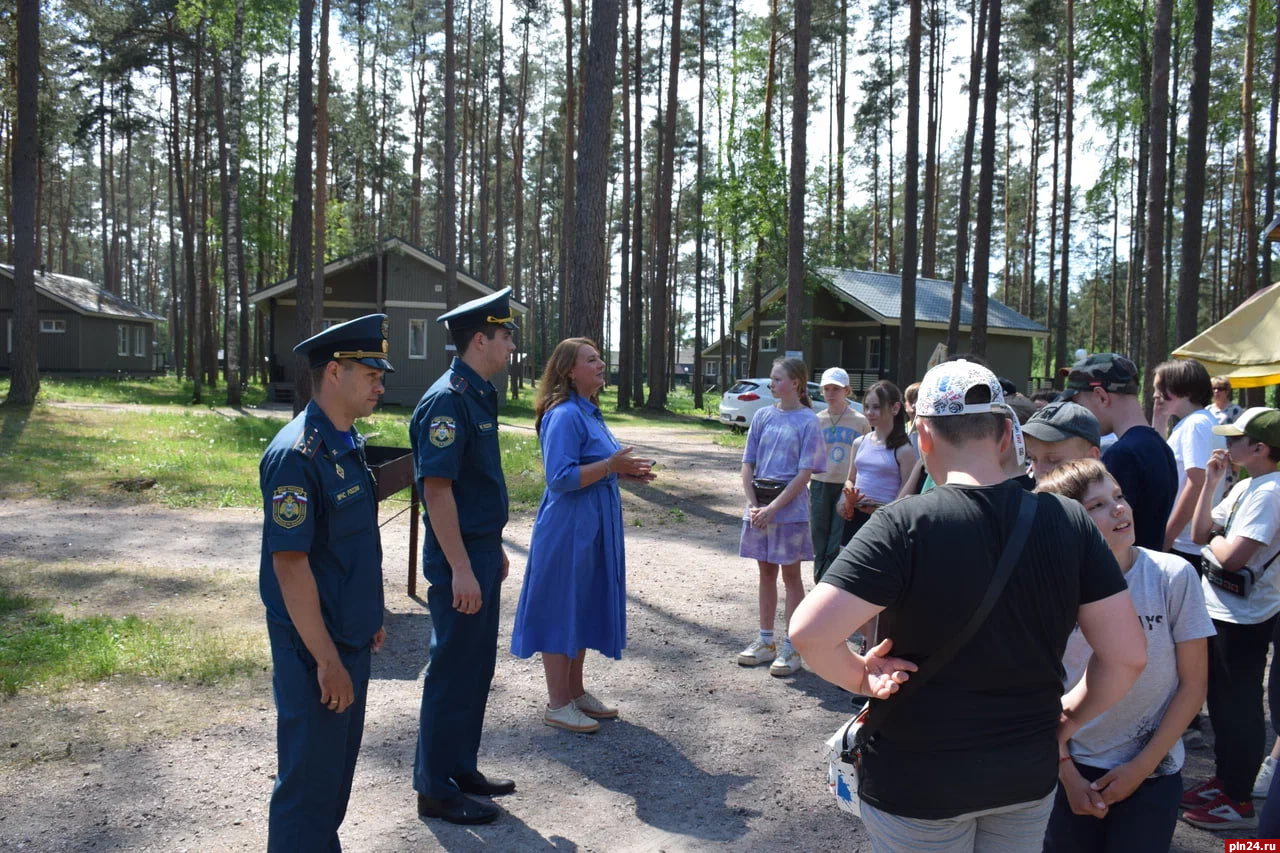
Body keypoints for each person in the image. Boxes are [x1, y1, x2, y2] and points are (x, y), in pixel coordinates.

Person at [790, 359, 1146, 853]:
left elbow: (809, 634)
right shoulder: (1070, 520)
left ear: (924, 437)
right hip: (1024, 772)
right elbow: (1128, 656)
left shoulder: (903, 524)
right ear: (1005, 434)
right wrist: (1067, 721)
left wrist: (860, 676)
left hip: (918, 779)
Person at [258, 314, 392, 851]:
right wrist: (329, 661)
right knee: (308, 791)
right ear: (334, 372)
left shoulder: (346, 440)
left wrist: (367, 619)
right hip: (314, 650)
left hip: (346, 636)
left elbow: (348, 547)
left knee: (331, 785)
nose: (381, 383)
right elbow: (289, 567)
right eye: (371, 372)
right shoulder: (298, 455)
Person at [1036, 460, 1212, 853]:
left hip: (1154, 771)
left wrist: (1142, 766)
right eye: (1096, 506)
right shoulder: (1049, 589)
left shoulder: (1173, 576)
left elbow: (1194, 683)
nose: (1118, 508)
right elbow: (1037, 690)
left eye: (1117, 496)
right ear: (1068, 523)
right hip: (1065, 769)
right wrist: (1066, 772)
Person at [410, 288, 518, 826]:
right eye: (506, 336)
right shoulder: (448, 400)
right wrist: (459, 567)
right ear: (481, 339)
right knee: (451, 667)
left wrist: (491, 546)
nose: (512, 345)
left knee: (475, 667)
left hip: (478, 549)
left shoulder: (478, 393)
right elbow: (438, 490)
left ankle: (459, 768)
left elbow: (478, 483)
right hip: (459, 555)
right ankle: (433, 787)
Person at [510, 338, 654, 734]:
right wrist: (611, 465)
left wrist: (625, 472)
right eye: (592, 360)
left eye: (600, 357)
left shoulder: (589, 412)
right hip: (568, 529)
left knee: (583, 604)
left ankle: (575, 693)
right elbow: (559, 479)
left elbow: (594, 466)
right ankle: (558, 703)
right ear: (569, 371)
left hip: (592, 526)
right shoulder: (564, 415)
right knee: (562, 608)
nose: (602, 364)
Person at [1179, 408, 1280, 830]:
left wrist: (1215, 543)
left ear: (1259, 448)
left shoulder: (1272, 490)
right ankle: (1224, 782)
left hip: (1244, 616)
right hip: (1222, 608)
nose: (1227, 445)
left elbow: (1234, 557)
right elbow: (1201, 532)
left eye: (1236, 440)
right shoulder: (1250, 484)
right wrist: (1212, 481)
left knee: (1238, 706)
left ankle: (1237, 799)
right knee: (1220, 701)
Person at [736, 356, 826, 677]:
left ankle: (792, 645)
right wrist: (754, 504)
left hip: (790, 513)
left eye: (777, 379)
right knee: (765, 574)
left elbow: (805, 474)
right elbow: (748, 463)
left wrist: (773, 508)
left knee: (791, 577)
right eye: (771, 378)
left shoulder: (808, 421)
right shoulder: (761, 416)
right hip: (760, 510)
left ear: (796, 384)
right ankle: (765, 642)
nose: (771, 383)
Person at [1061, 353, 1178, 552]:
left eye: (1079, 404)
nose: (1079, 414)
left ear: (1101, 396)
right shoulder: (1159, 445)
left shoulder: (1122, 454)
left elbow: (1104, 534)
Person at [1153, 359, 1226, 565]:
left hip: (1184, 543)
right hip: (1181, 540)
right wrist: (1159, 418)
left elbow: (1197, 483)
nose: (1155, 395)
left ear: (1183, 390)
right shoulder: (1193, 423)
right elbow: (1158, 457)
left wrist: (1167, 537)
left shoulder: (1196, 425)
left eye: (1161, 388)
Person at [837, 380, 917, 550]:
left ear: (895, 408)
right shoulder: (860, 442)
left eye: (877, 407)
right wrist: (845, 499)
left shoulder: (903, 449)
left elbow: (907, 493)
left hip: (885, 521)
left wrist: (879, 510)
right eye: (866, 407)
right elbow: (851, 479)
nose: (869, 412)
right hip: (855, 516)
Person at [811, 367, 870, 582]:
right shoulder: (817, 419)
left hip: (846, 484)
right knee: (818, 535)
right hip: (820, 483)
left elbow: (867, 454)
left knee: (838, 536)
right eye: (826, 388)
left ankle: (831, 582)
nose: (830, 393)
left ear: (847, 390)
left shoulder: (860, 420)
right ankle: (818, 580)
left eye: (835, 388)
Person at [1022, 401, 1101, 483]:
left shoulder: (1105, 494)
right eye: (1033, 458)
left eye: (1053, 460)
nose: (1039, 471)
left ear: (1091, 458)